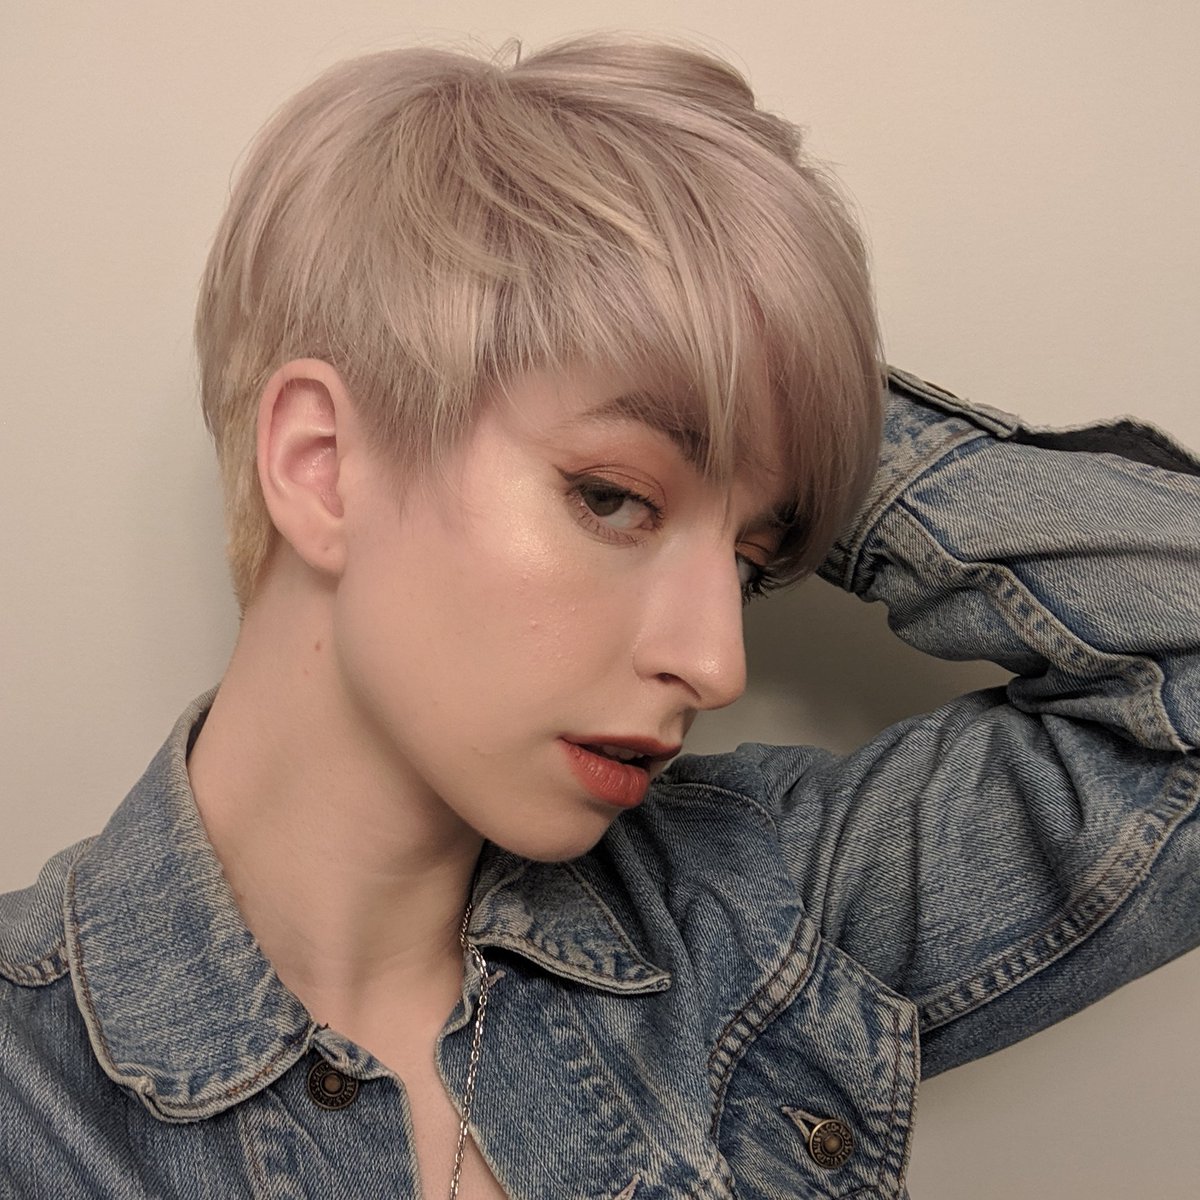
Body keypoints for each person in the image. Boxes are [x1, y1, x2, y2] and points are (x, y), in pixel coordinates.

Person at [1, 31, 1196, 1200]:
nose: (716, 662)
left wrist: (769, 378)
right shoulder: (31, 1102)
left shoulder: (755, 914)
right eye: (614, 498)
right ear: (324, 467)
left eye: (750, 560)